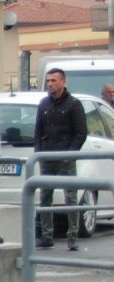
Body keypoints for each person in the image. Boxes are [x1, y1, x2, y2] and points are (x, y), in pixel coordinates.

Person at [34, 67, 87, 251]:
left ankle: (72, 236)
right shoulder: (43, 104)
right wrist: (38, 153)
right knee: (45, 197)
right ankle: (46, 236)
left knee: (70, 197)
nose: (50, 84)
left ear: (64, 82)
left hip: (65, 158)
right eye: (48, 81)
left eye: (54, 81)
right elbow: (38, 131)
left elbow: (81, 133)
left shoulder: (74, 104)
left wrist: (69, 154)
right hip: (47, 157)